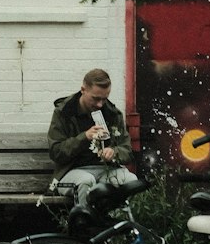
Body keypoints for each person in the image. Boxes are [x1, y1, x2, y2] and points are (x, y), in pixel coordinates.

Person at [47, 68, 141, 209]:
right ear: (83, 90)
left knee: (131, 180)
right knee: (86, 180)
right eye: (96, 98)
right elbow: (56, 152)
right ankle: (84, 227)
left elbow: (127, 150)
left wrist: (113, 152)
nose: (100, 104)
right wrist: (84, 137)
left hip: (105, 170)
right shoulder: (64, 112)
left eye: (104, 98)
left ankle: (119, 226)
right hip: (71, 172)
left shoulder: (112, 114)